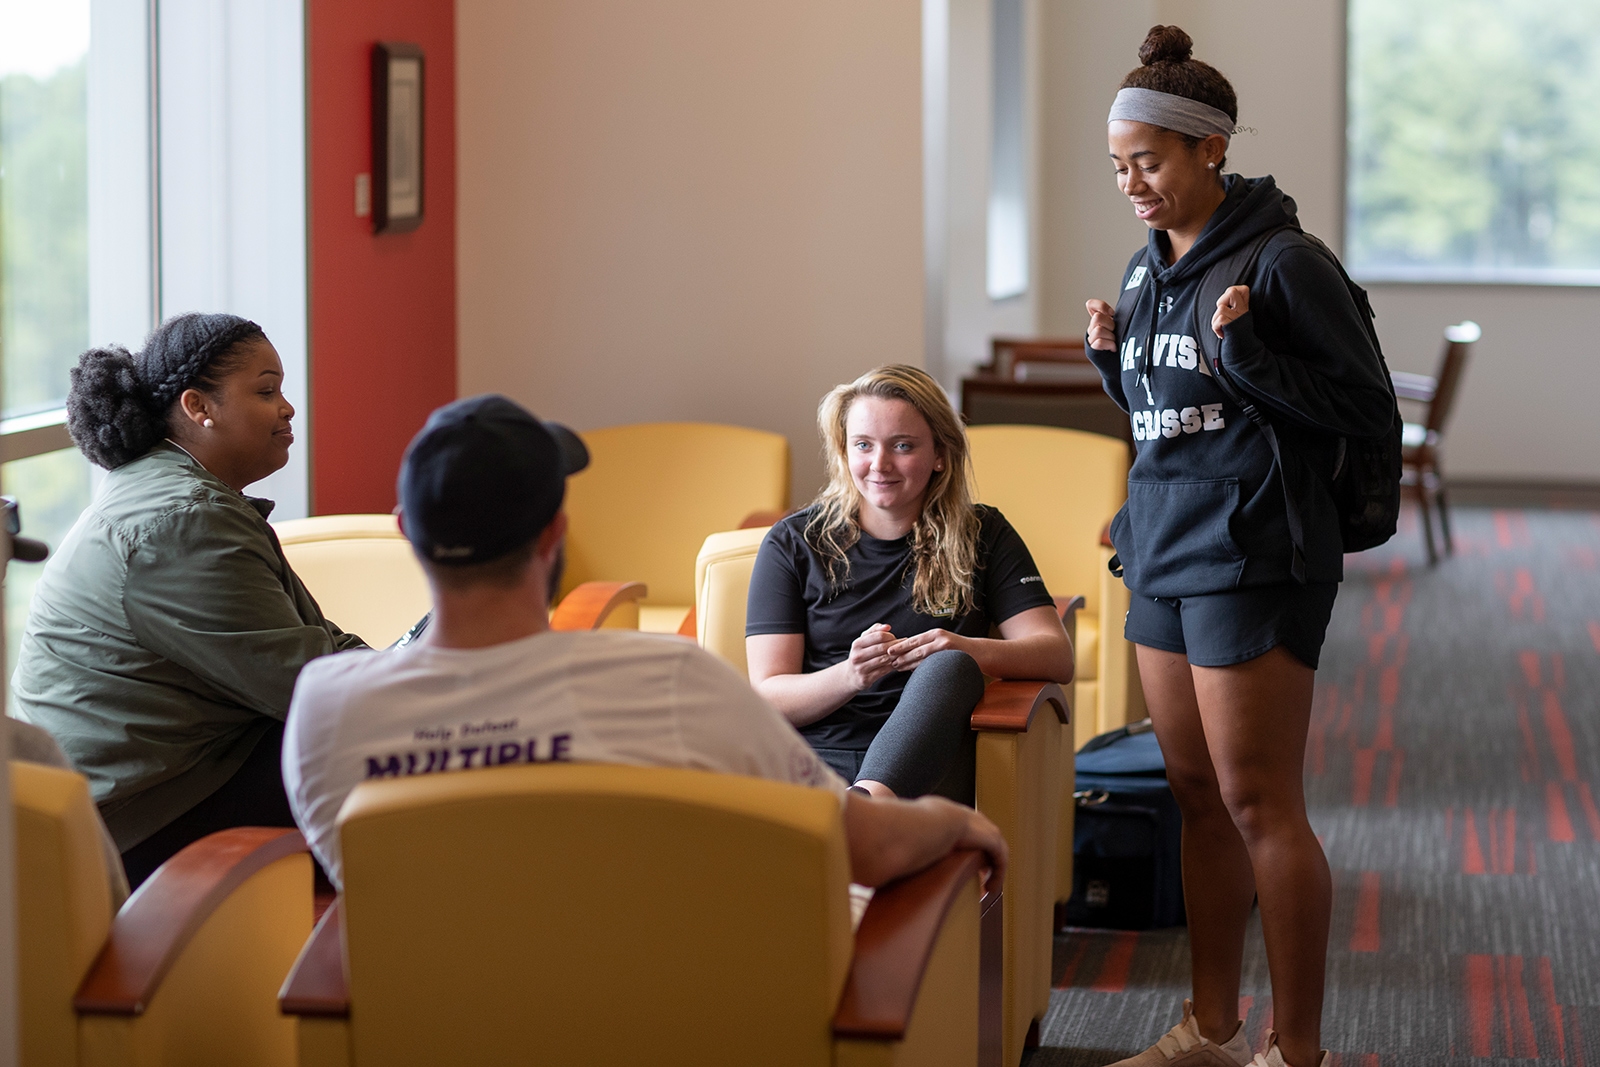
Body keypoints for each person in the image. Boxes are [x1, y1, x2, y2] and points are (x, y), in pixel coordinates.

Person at [282, 394, 1007, 900]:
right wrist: (959, 819)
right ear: (552, 536)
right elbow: (864, 848)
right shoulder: (670, 680)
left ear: (405, 531)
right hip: (644, 1014)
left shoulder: (322, 704)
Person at [1081, 27, 1394, 1067]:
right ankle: (1209, 1028)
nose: (1132, 182)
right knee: (1194, 793)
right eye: (1119, 164)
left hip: (1258, 551)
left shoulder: (1283, 261)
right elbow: (1167, 412)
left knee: (1262, 802)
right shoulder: (1144, 270)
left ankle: (1291, 1049)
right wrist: (1106, 364)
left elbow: (1361, 407)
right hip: (1164, 549)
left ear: (1209, 147)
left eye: (1149, 160)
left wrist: (1249, 349)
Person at [14, 313, 367, 888]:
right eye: (265, 390)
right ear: (198, 407)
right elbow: (306, 684)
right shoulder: (183, 521)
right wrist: (425, 689)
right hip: (141, 821)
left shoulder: (173, 492)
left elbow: (311, 643)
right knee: (401, 772)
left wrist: (406, 667)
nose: (287, 408)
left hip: (162, 779)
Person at [744, 365, 1075, 802]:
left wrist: (966, 647)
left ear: (940, 453)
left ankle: (869, 808)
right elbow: (768, 694)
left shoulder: (983, 533)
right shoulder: (794, 542)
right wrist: (851, 675)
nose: (879, 465)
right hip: (817, 763)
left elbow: (1056, 655)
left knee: (951, 666)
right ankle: (862, 817)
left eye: (902, 446)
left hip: (929, 768)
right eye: (863, 445)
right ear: (845, 452)